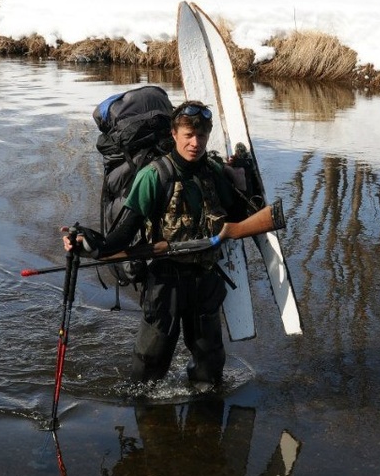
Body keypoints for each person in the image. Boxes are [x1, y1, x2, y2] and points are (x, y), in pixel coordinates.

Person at [65, 100, 250, 386]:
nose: (195, 143)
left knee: (210, 363)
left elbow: (237, 216)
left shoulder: (212, 173)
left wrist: (243, 181)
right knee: (148, 368)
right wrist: (87, 244)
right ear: (174, 134)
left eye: (201, 136)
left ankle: (204, 416)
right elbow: (123, 234)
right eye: (188, 135)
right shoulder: (153, 176)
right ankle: (149, 421)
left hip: (206, 280)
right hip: (166, 283)